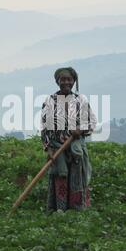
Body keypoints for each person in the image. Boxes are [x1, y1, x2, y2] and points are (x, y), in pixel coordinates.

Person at [40, 67, 97, 212]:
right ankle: (59, 210)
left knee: (77, 178)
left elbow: (92, 122)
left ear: (74, 81)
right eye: (63, 79)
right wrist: (49, 148)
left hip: (75, 147)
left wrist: (80, 130)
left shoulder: (80, 100)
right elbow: (45, 126)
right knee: (60, 177)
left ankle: (77, 211)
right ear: (57, 81)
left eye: (69, 79)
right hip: (57, 147)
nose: (66, 82)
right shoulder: (50, 101)